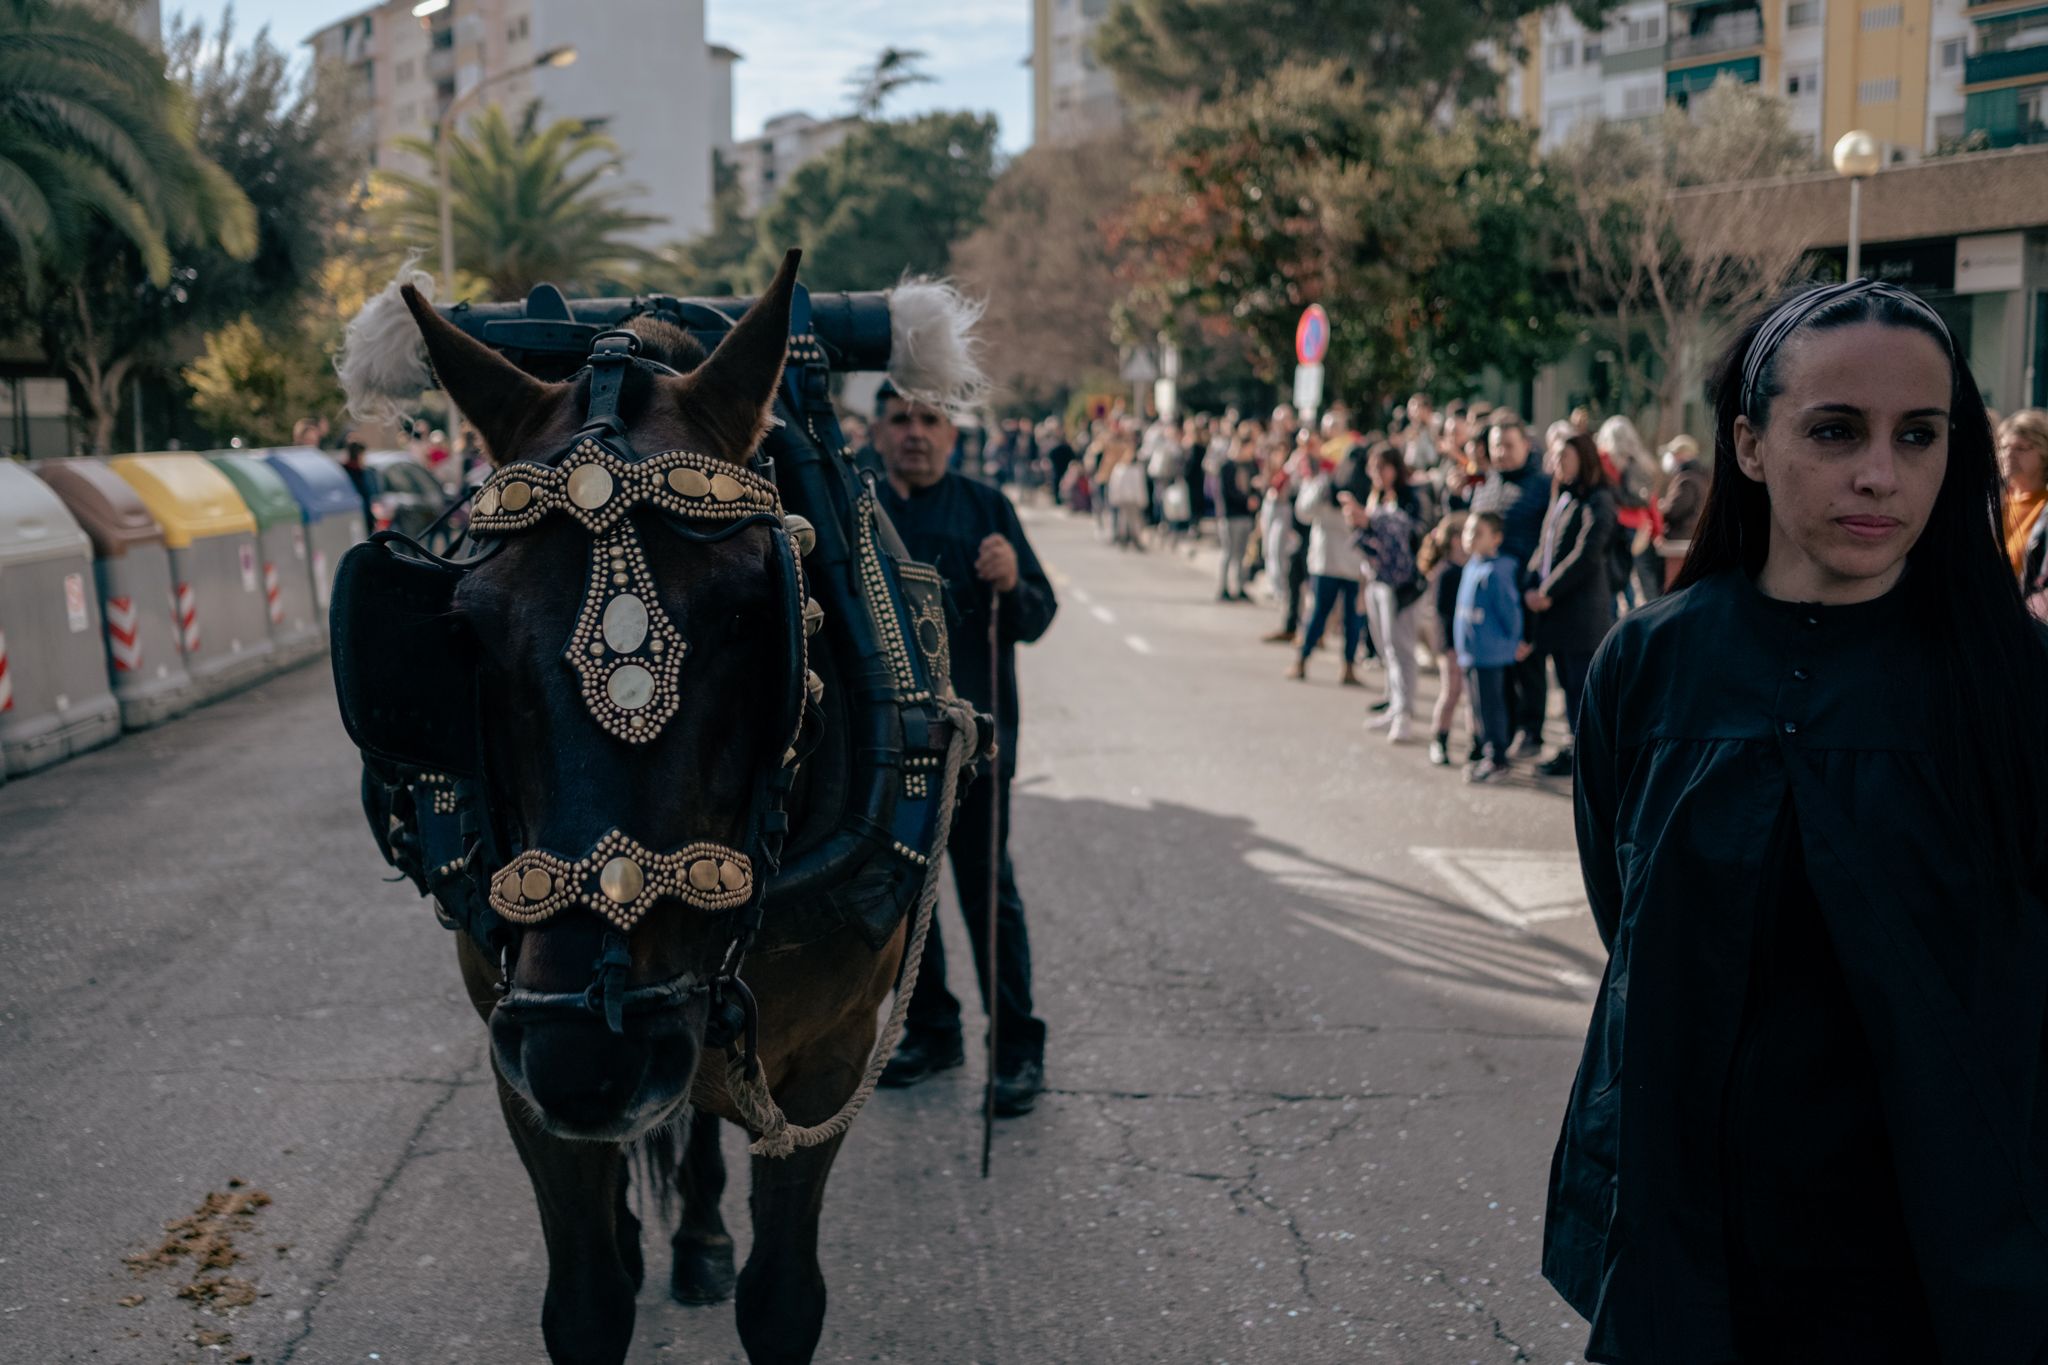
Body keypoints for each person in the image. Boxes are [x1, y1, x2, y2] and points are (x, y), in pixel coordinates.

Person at [1546, 279, 2048, 1363]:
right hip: (1692, 1226)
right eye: (1833, 430)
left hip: (1939, 1246)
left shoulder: (2015, 683)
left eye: (1918, 435)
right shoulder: (1650, 664)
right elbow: (1623, 910)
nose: (1879, 473)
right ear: (1748, 444)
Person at [870, 384, 1057, 1117]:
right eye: (901, 420)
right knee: (903, 905)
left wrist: (1013, 582)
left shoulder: (988, 511)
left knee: (988, 900)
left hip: (975, 752)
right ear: (879, 432)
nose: (914, 433)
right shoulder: (858, 509)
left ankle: (1015, 1049)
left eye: (929, 420)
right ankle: (930, 1029)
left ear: (950, 434)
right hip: (885, 760)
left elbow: (1037, 615)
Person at [1524, 430, 1617, 779]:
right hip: (1556, 612)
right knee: (1565, 685)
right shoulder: (1562, 496)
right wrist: (1531, 580)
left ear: (1584, 459)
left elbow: (1587, 553)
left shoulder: (1598, 499)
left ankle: (1586, 757)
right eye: (1554, 457)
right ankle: (1573, 747)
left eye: (1564, 458)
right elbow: (1546, 545)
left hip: (1580, 612)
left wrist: (1547, 589)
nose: (1556, 464)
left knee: (1581, 689)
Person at [1469, 417, 1551, 755]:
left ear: (1526, 446)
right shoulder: (1487, 484)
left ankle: (1532, 730)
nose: (1501, 452)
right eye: (1496, 446)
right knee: (1496, 666)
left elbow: (1549, 540)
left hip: (1524, 589)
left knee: (1526, 662)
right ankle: (1500, 730)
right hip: (1488, 591)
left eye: (1508, 445)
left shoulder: (1543, 485)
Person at [1348, 444, 1426, 740]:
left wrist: (1370, 521)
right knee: (1386, 648)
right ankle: (1395, 704)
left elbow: (1412, 533)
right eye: (1373, 468)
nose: (1377, 474)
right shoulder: (1377, 496)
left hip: (1404, 587)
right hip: (1376, 580)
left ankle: (1405, 712)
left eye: (1383, 467)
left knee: (1401, 648)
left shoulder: (1412, 497)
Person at [1287, 447, 1368, 685]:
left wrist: (1318, 486)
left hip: (1330, 562)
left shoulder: (1328, 486)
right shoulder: (1344, 489)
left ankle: (1304, 660)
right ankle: (1341, 665)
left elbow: (1303, 511)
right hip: (1347, 563)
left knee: (1321, 613)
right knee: (1347, 617)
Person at [1453, 512, 1523, 784]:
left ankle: (1497, 758)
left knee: (1491, 707)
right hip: (1471, 654)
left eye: (1477, 532)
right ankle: (1484, 750)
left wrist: (1513, 641)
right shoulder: (1471, 565)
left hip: (1490, 655)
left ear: (1496, 538)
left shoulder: (1497, 572)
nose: (1469, 537)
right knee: (1478, 707)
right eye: (1468, 531)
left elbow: (1510, 613)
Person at [1594, 415, 1664, 605]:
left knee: (1616, 578)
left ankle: (1618, 623)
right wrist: (1657, 529)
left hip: (1617, 525)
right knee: (1643, 580)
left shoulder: (1603, 460)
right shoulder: (1642, 461)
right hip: (1641, 526)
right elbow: (1651, 500)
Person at [1419, 513, 1470, 767]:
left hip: (1470, 644)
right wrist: (1449, 646)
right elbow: (1441, 615)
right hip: (1450, 644)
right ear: (1453, 539)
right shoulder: (1446, 572)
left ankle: (1476, 743)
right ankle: (1439, 739)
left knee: (1470, 696)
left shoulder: (1472, 567)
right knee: (1451, 692)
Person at [1996, 409, 2048, 580]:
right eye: (2004, 447)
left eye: (2021, 448)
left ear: (2044, 454)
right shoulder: (1990, 501)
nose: (2008, 455)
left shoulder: (2043, 505)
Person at [1655, 434, 1709, 589]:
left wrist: (1661, 508)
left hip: (1679, 540)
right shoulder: (1701, 476)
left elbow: (1675, 511)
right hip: (1691, 538)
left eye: (1674, 454)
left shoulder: (1686, 479)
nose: (1671, 458)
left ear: (1683, 455)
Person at [1215, 435, 1260, 601]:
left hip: (1246, 515)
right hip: (1230, 516)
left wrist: (1255, 499)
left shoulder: (1251, 466)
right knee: (1228, 553)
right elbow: (1226, 492)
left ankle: (1240, 586)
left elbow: (1255, 486)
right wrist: (1245, 500)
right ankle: (1224, 587)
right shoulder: (1227, 466)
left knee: (1242, 554)